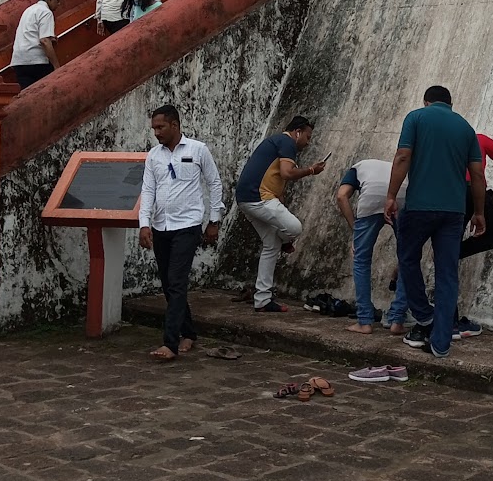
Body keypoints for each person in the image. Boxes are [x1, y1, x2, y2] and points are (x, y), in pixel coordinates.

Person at [384, 129, 493, 339]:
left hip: (446, 195)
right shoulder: (480, 139)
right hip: (472, 191)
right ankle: (455, 255)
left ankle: (449, 324)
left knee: (440, 258)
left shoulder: (445, 142)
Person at [385, 85, 485, 360]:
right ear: (450, 105)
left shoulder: (416, 118)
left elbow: (403, 156)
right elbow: (477, 175)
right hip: (454, 213)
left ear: (427, 102)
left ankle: (423, 314)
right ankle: (441, 343)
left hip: (419, 207)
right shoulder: (466, 129)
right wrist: (479, 212)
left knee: (407, 258)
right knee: (447, 273)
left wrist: (391, 195)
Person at [138, 105, 223, 361]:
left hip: (187, 226)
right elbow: (148, 190)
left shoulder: (198, 150)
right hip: (161, 226)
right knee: (168, 284)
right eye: (154, 128)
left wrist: (214, 220)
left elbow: (214, 182)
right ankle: (189, 332)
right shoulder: (154, 156)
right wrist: (144, 223)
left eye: (160, 127)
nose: (156, 132)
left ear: (175, 125)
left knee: (176, 282)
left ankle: (170, 343)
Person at [236, 116, 326, 312]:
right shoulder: (287, 141)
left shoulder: (276, 141)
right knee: (295, 227)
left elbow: (275, 178)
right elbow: (287, 173)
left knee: (271, 246)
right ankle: (285, 241)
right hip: (258, 198)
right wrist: (311, 170)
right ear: (298, 132)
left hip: (246, 198)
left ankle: (262, 299)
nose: (308, 142)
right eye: (308, 137)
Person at [335, 158, 402, 335]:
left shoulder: (357, 169)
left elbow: (341, 196)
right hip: (401, 194)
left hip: (372, 197)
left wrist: (355, 228)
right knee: (407, 259)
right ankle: (398, 320)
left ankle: (364, 321)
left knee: (361, 260)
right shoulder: (388, 167)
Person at [10, 0, 61, 88]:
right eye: (57, 0)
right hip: (36, 61)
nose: (58, 4)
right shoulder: (46, 12)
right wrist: (56, 66)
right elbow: (44, 40)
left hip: (19, 61)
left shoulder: (29, 9)